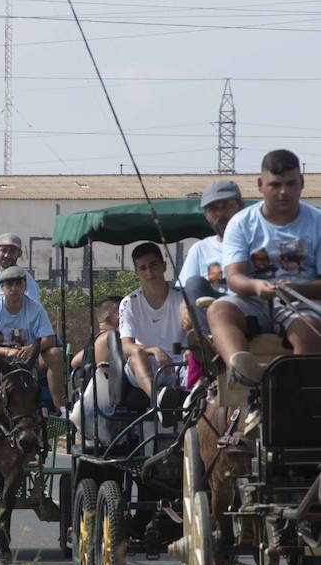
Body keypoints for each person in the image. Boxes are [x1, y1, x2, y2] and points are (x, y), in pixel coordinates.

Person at [210, 149, 321, 385]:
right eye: (275, 184)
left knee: (309, 332)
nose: (284, 192)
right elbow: (234, 278)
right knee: (218, 311)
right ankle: (244, 373)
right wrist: (255, 286)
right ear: (261, 185)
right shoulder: (241, 223)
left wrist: (297, 289)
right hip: (253, 300)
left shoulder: (318, 222)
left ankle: (295, 394)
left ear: (302, 183)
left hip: (301, 303)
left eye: (291, 184)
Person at [0, 265, 69, 409]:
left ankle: (60, 408)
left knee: (55, 354)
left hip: (29, 360)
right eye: (9, 284)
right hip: (1, 361)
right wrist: (8, 352)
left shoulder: (36, 309)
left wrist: (32, 348)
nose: (14, 288)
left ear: (25, 286)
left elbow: (49, 339)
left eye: (18, 283)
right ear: (1, 287)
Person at [120, 243, 188, 394]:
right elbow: (126, 346)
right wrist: (154, 350)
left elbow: (195, 333)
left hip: (178, 364)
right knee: (137, 354)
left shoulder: (182, 297)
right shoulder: (129, 302)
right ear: (136, 273)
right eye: (143, 268)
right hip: (144, 365)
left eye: (153, 265)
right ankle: (157, 401)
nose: (149, 272)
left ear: (163, 266)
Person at [180, 180, 246, 332]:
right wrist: (184, 310)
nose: (220, 214)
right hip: (210, 317)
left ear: (241, 206)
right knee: (194, 283)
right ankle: (208, 342)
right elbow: (185, 295)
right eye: (213, 209)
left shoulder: (258, 242)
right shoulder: (200, 249)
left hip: (248, 312)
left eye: (226, 206)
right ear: (206, 215)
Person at [71, 297, 121, 370]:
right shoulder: (112, 338)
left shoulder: (94, 342)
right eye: (123, 313)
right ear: (109, 319)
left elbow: (74, 362)